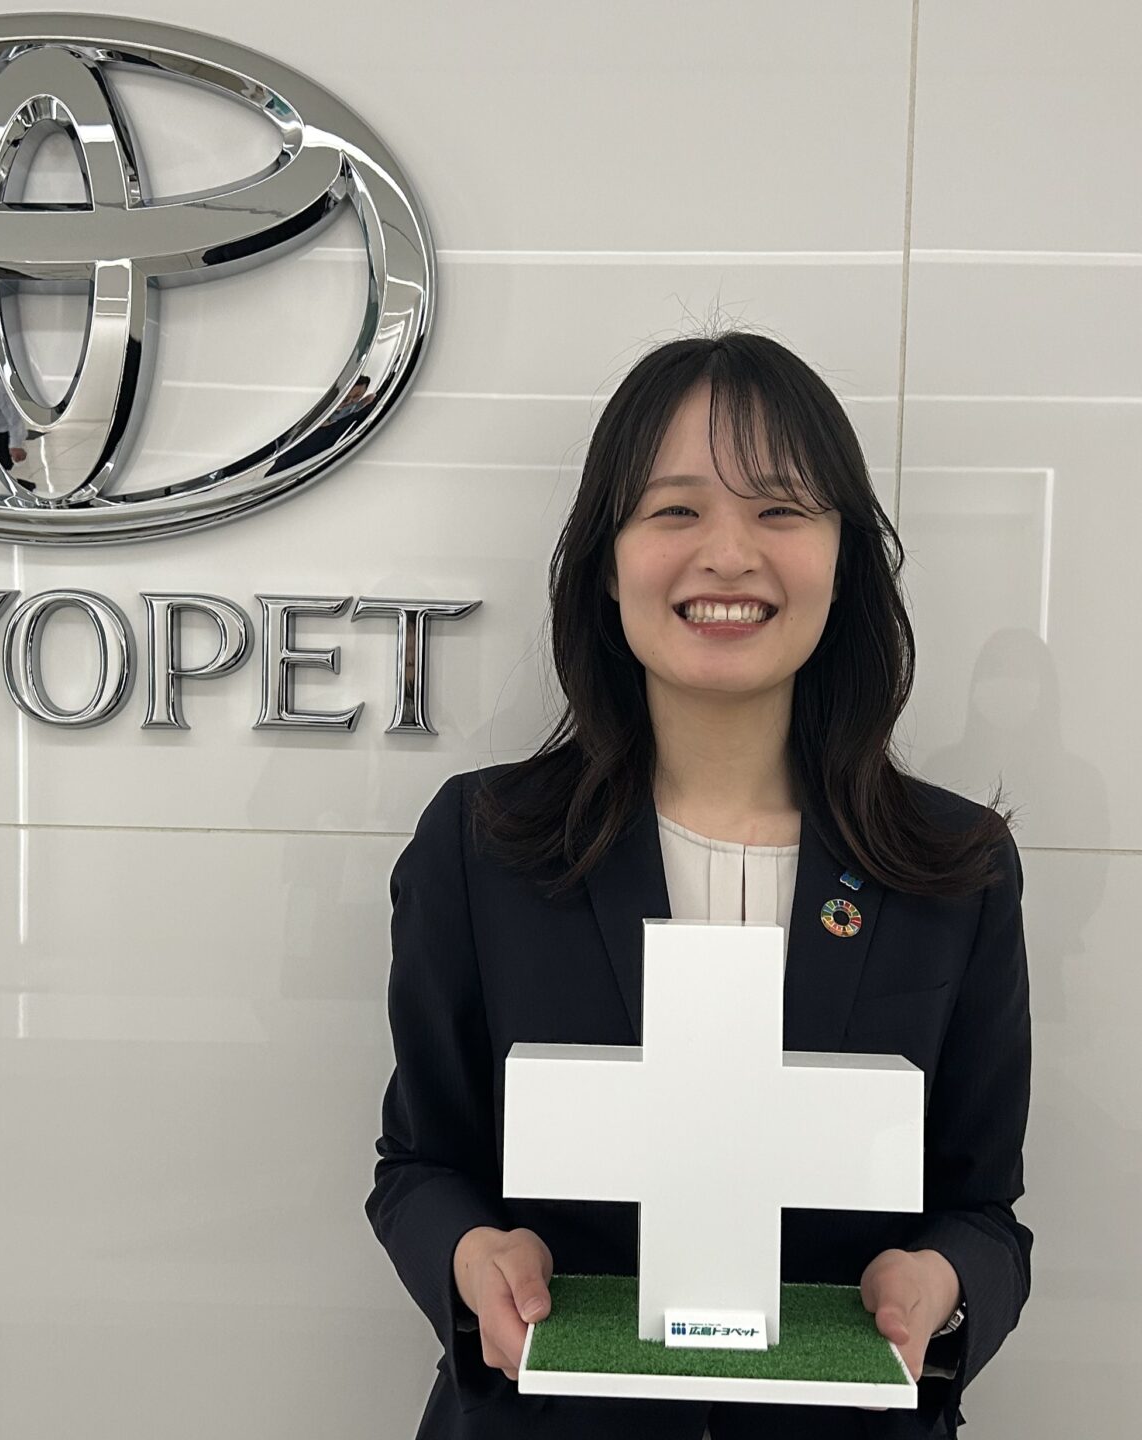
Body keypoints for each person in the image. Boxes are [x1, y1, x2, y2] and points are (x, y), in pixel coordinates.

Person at [365, 331, 1033, 1440]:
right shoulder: (482, 847)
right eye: (675, 510)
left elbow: (982, 1211)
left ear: (844, 558)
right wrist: (472, 1254)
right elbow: (421, 1166)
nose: (728, 554)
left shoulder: (952, 869)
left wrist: (943, 1282)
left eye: (781, 509)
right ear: (607, 560)